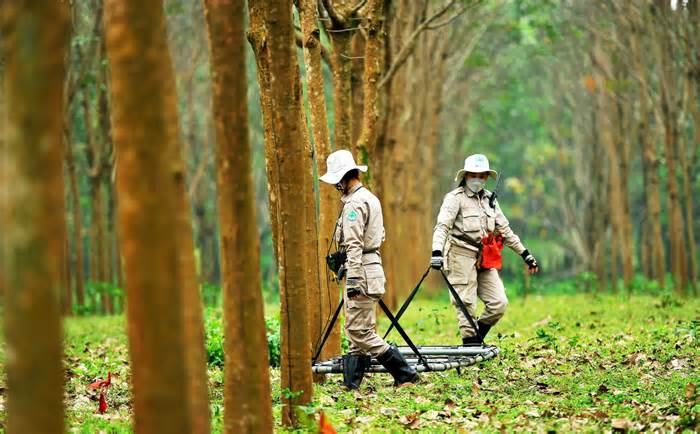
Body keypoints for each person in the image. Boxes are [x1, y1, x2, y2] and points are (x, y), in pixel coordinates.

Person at [319, 149, 419, 389]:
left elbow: (354, 244)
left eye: (337, 181)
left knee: (358, 331)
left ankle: (405, 373)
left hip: (361, 270)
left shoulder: (355, 204)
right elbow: (379, 235)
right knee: (357, 332)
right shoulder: (370, 198)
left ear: (345, 178)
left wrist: (352, 279)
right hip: (369, 267)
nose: (336, 187)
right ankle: (351, 385)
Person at [430, 154, 539, 345]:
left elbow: (505, 230)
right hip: (459, 254)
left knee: (498, 303)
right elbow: (442, 226)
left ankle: (475, 339)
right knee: (466, 304)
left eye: (482, 175)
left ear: (487, 177)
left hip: (484, 257)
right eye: (474, 175)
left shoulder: (490, 200)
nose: (478, 179)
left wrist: (526, 254)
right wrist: (436, 252)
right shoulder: (455, 199)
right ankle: (470, 344)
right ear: (465, 176)